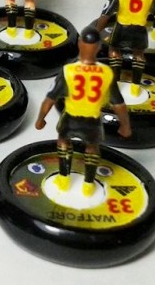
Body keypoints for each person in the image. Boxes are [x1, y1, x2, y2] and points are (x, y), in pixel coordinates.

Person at [35, 25, 131, 196]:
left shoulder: (68, 70)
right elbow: (119, 104)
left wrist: (41, 119)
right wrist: (125, 125)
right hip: (92, 120)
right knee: (92, 148)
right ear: (99, 47)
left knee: (63, 142)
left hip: (71, 117)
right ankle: (88, 184)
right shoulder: (106, 72)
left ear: (80, 44)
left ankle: (64, 178)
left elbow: (50, 98)